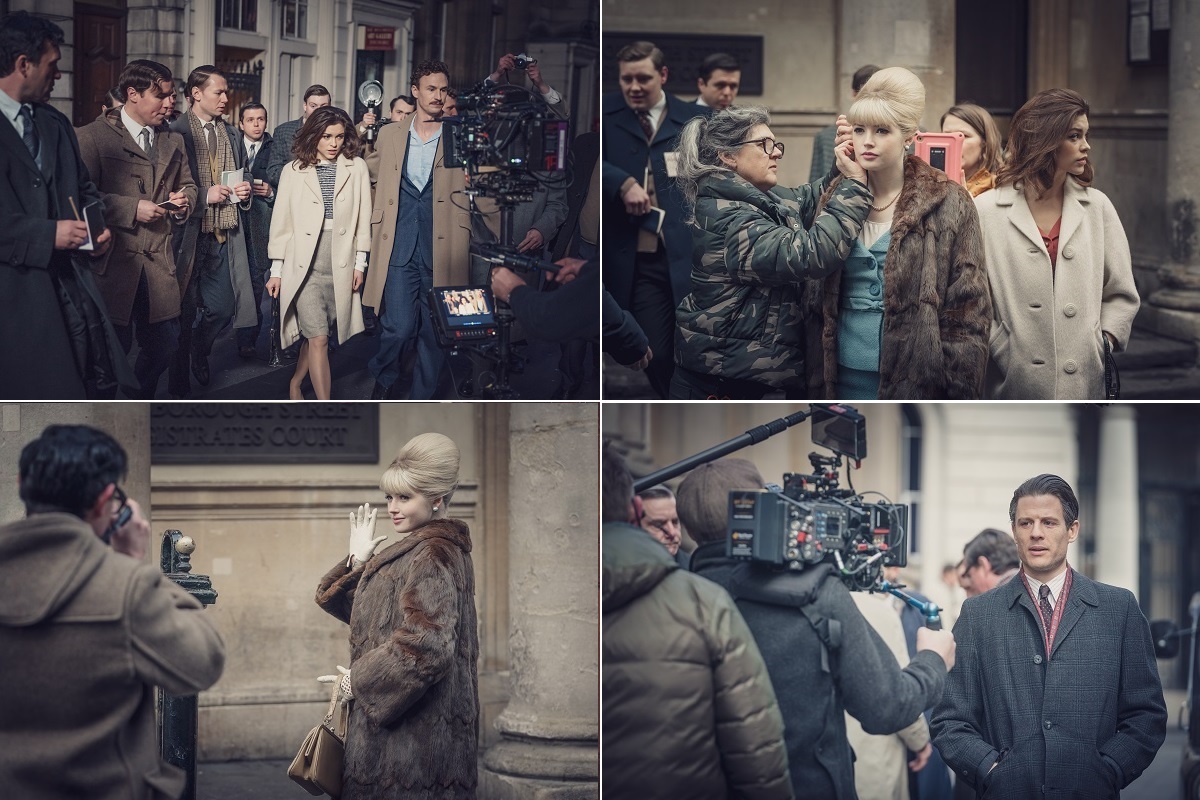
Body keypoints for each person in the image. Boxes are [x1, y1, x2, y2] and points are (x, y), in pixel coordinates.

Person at [678, 457, 956, 800]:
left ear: (685, 528)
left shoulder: (670, 599)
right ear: (760, 508)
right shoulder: (816, 593)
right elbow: (887, 706)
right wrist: (933, 659)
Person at [0, 424, 225, 799]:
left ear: (22, 481)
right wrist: (134, 566)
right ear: (107, 501)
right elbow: (203, 662)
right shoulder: (125, 587)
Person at [931, 473, 1167, 799]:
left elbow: (1146, 715)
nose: (1036, 533)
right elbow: (950, 720)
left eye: (1049, 522)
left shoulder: (1119, 609)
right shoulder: (978, 615)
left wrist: (1110, 769)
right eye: (1025, 523)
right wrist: (990, 770)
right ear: (1014, 531)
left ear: (1072, 530)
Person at [601, 446, 792, 800]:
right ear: (636, 512)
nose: (672, 533)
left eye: (676, 522)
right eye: (660, 525)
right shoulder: (704, 601)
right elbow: (755, 743)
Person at [315, 433, 479, 799]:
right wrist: (357, 563)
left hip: (413, 747)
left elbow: (428, 646)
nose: (392, 507)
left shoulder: (433, 553)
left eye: (405, 497)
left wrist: (357, 682)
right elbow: (373, 620)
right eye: (390, 497)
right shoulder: (419, 550)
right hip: (403, 735)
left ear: (437, 499)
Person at [670, 105, 870, 399]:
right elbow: (812, 254)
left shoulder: (757, 199)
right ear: (728, 155)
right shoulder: (729, 217)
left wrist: (843, 163)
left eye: (776, 144)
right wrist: (854, 184)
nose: (776, 152)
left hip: (740, 379)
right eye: (764, 145)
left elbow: (807, 200)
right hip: (720, 387)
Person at [816, 66, 991, 399]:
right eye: (859, 130)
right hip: (834, 380)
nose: (867, 141)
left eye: (882, 131)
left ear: (910, 136)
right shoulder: (835, 197)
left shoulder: (949, 201)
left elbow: (967, 312)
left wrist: (958, 393)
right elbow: (812, 298)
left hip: (913, 383)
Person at [0, 11, 130, 400]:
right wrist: (47, 234)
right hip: (13, 300)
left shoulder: (55, 123)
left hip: (72, 290)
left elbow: (85, 188)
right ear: (24, 64)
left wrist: (97, 229)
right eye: (52, 65)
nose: (58, 75)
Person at [976, 89, 1139, 399]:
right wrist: (999, 345)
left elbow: (1121, 292)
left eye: (1085, 135)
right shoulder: (986, 210)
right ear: (1045, 140)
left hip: (1084, 384)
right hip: (1011, 381)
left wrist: (1104, 340)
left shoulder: (1097, 207)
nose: (1086, 146)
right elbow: (972, 298)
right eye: (1074, 136)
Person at [76, 59, 196, 400]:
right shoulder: (91, 137)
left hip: (158, 264)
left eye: (172, 95)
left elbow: (189, 185)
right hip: (110, 268)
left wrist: (184, 199)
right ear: (132, 94)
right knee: (109, 359)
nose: (170, 103)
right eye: (161, 96)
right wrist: (130, 208)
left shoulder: (172, 140)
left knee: (166, 346)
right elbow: (77, 199)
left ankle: (133, 408)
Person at [602, 40, 709, 398]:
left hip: (689, 256)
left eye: (643, 78)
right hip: (638, 258)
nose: (633, 87)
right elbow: (580, 160)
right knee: (656, 351)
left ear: (662, 75)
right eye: (625, 79)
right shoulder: (604, 114)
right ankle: (674, 398)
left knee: (696, 348)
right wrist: (621, 181)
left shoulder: (695, 120)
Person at [363, 60, 470, 400]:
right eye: (431, 89)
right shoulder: (390, 134)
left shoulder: (459, 134)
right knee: (398, 327)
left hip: (445, 248)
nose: (438, 96)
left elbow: (483, 180)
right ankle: (385, 374)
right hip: (398, 243)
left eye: (443, 89)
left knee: (435, 330)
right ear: (415, 91)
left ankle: (420, 396)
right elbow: (367, 173)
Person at [266, 106, 370, 399]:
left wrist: (360, 264)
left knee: (316, 337)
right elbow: (281, 225)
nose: (334, 143)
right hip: (304, 265)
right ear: (314, 136)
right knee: (320, 338)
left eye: (339, 136)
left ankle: (296, 382)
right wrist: (276, 271)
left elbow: (363, 219)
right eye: (326, 136)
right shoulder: (293, 171)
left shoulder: (356, 167)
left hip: (340, 261)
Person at [168, 65, 255, 396]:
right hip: (186, 238)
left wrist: (243, 189)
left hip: (222, 236)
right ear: (195, 93)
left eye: (226, 91)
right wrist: (204, 195)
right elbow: (169, 189)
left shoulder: (230, 133)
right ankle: (178, 386)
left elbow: (237, 175)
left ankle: (199, 351)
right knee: (183, 314)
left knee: (223, 307)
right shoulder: (174, 132)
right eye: (218, 92)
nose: (225, 98)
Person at [235, 101, 276, 359]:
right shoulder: (231, 145)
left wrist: (273, 192)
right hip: (233, 223)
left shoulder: (274, 149)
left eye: (260, 119)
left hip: (261, 225)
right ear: (241, 124)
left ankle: (247, 339)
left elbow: (287, 184)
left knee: (255, 284)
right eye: (250, 120)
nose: (256, 124)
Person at [810, 64, 880, 183]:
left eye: (882, 131)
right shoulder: (826, 136)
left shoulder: (910, 135)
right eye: (859, 130)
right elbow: (815, 188)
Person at [264, 84, 331, 189]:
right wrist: (303, 176)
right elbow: (273, 172)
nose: (318, 111)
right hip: (295, 193)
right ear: (305, 106)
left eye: (323, 106)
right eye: (313, 106)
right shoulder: (283, 131)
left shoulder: (337, 132)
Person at [940, 103, 1004, 196]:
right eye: (947, 136)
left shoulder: (999, 188)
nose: (952, 144)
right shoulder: (928, 182)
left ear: (985, 142)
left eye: (963, 136)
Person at [959, 527, 1020, 597]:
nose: (968, 596)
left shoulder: (998, 602)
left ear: (983, 565)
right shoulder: (1030, 588)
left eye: (969, 575)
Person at [634, 483, 685, 564]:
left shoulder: (697, 570)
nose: (672, 533)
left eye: (675, 522)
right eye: (658, 525)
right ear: (634, 525)